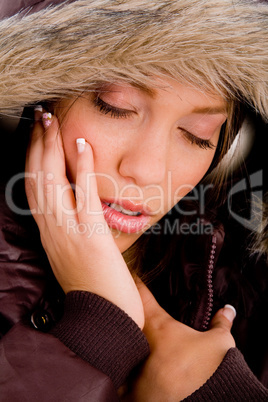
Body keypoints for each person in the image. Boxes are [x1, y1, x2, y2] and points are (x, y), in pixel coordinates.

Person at [0, 0, 267, 400]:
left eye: (198, 134)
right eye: (115, 107)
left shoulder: (247, 285)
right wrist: (97, 334)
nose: (148, 170)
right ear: (40, 98)